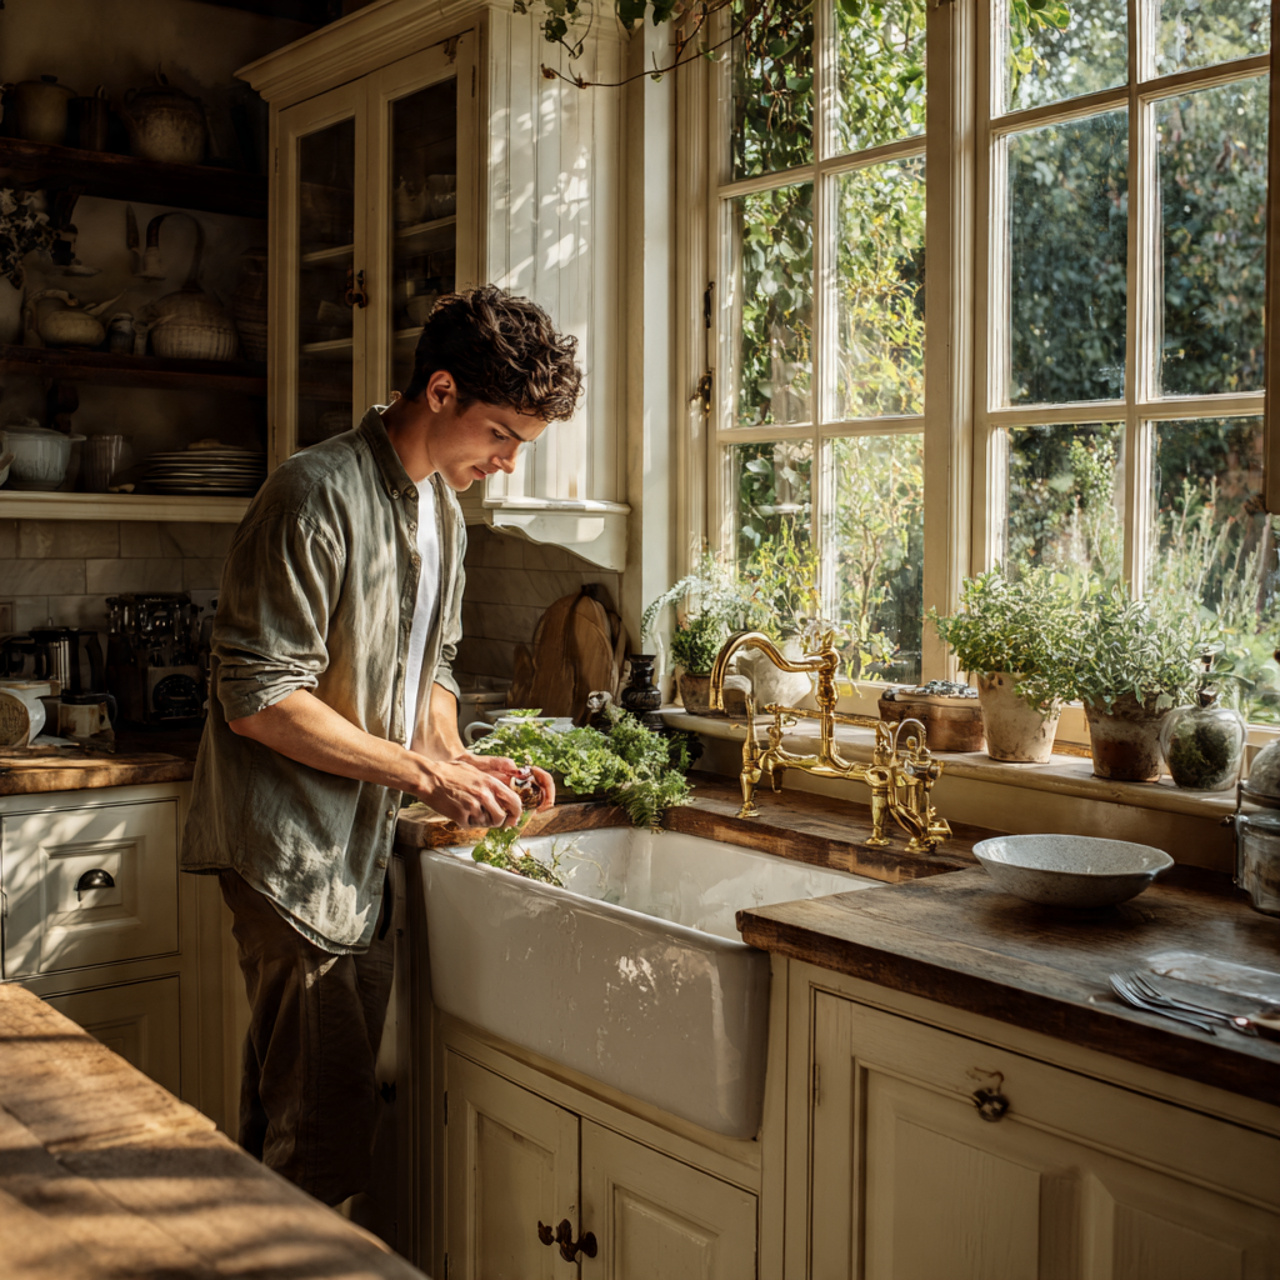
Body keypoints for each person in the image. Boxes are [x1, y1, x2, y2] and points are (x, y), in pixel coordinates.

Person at [181, 285, 581, 1205]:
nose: (508, 462)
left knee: (301, 1117)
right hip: (292, 854)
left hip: (356, 852)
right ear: (440, 391)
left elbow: (431, 666)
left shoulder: (441, 511)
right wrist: (421, 774)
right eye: (501, 435)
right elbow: (258, 698)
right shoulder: (312, 493)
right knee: (324, 1136)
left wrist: (455, 757)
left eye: (521, 444)